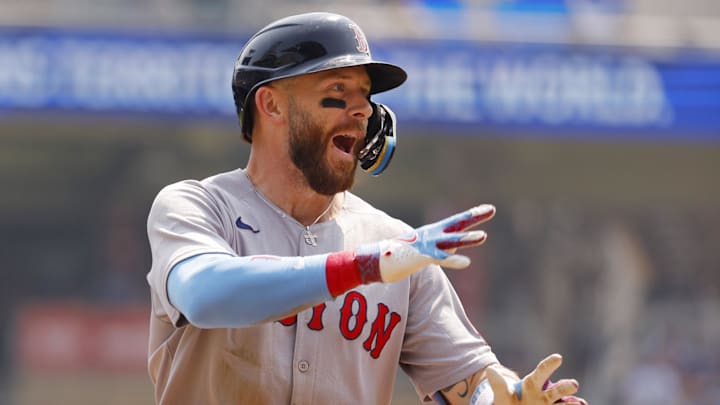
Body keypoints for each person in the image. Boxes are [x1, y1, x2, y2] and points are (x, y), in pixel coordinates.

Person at [145, 12, 587, 405]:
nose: (362, 110)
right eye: (337, 90)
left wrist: (513, 398)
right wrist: (365, 267)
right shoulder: (199, 206)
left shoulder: (399, 248)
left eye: (365, 95)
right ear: (271, 103)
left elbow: (471, 386)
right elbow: (204, 295)